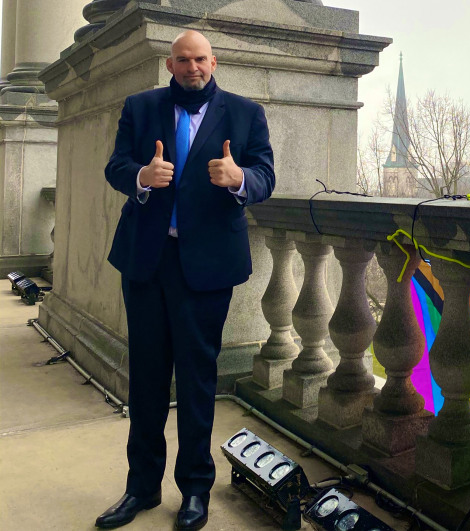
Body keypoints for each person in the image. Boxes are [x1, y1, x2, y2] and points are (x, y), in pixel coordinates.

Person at [96, 30, 274, 530]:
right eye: (182, 60)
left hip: (208, 267)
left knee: (197, 381)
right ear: (169, 64)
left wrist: (239, 179)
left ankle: (195, 490)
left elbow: (265, 174)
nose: (192, 67)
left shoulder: (245, 114)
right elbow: (115, 166)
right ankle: (142, 488)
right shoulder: (140, 106)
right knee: (147, 379)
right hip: (147, 261)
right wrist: (140, 178)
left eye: (200, 59)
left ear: (212, 62)